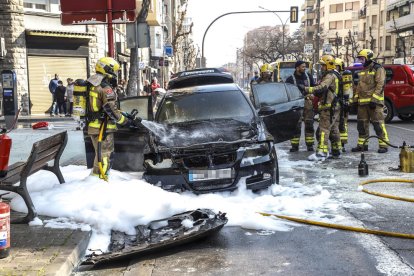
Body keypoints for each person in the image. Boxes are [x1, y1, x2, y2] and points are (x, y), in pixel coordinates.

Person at [86, 57, 142, 179]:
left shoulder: (91, 82)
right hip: (103, 128)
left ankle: (95, 180)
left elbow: (102, 107)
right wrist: (125, 121)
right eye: (114, 71)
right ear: (107, 69)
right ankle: (101, 180)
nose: (114, 74)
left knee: (100, 155)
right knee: (106, 155)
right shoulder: (105, 87)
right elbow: (110, 108)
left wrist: (124, 113)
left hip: (94, 125)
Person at [351, 49, 389, 153]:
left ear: (368, 58)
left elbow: (380, 85)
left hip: (374, 104)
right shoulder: (362, 70)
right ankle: (362, 145)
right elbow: (358, 87)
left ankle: (383, 145)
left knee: (378, 124)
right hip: (362, 104)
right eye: (359, 58)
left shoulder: (378, 68)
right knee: (362, 125)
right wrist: (355, 100)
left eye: (362, 58)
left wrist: (374, 100)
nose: (361, 61)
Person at [304, 55, 341, 159]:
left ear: (328, 65)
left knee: (323, 129)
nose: (321, 68)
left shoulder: (330, 76)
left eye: (323, 65)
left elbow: (322, 87)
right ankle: (336, 150)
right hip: (335, 106)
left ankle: (322, 151)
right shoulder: (336, 74)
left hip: (329, 106)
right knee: (334, 129)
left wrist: (307, 89)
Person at [286, 60, 316, 152]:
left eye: (304, 66)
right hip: (296, 104)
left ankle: (310, 145)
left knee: (309, 124)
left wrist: (312, 95)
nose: (304, 68)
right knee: (296, 125)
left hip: (308, 103)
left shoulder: (308, 76)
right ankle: (294, 146)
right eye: (302, 67)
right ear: (297, 68)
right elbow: (287, 92)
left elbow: (314, 88)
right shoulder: (290, 79)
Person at [334, 58, 353, 152]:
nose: (335, 68)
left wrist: (347, 102)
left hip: (343, 102)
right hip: (337, 102)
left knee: (343, 124)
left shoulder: (345, 75)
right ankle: (339, 144)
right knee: (337, 124)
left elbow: (348, 90)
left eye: (336, 66)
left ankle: (342, 144)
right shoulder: (335, 75)